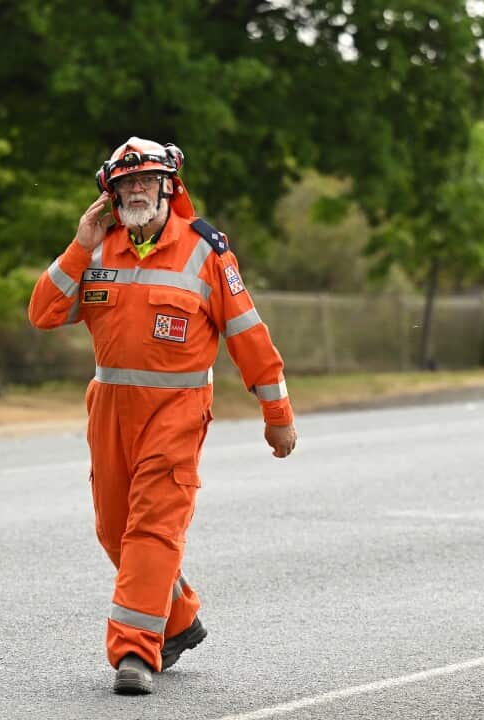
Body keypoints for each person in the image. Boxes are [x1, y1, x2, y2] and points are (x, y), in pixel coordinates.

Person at [28, 137, 298, 695]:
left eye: (146, 180)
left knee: (151, 529)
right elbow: (44, 313)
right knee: (114, 531)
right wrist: (78, 246)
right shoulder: (97, 251)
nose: (136, 190)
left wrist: (277, 412)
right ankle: (178, 619)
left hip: (176, 415)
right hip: (109, 413)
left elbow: (249, 336)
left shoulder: (205, 253)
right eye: (126, 182)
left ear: (168, 186)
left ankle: (134, 652)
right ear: (111, 193)